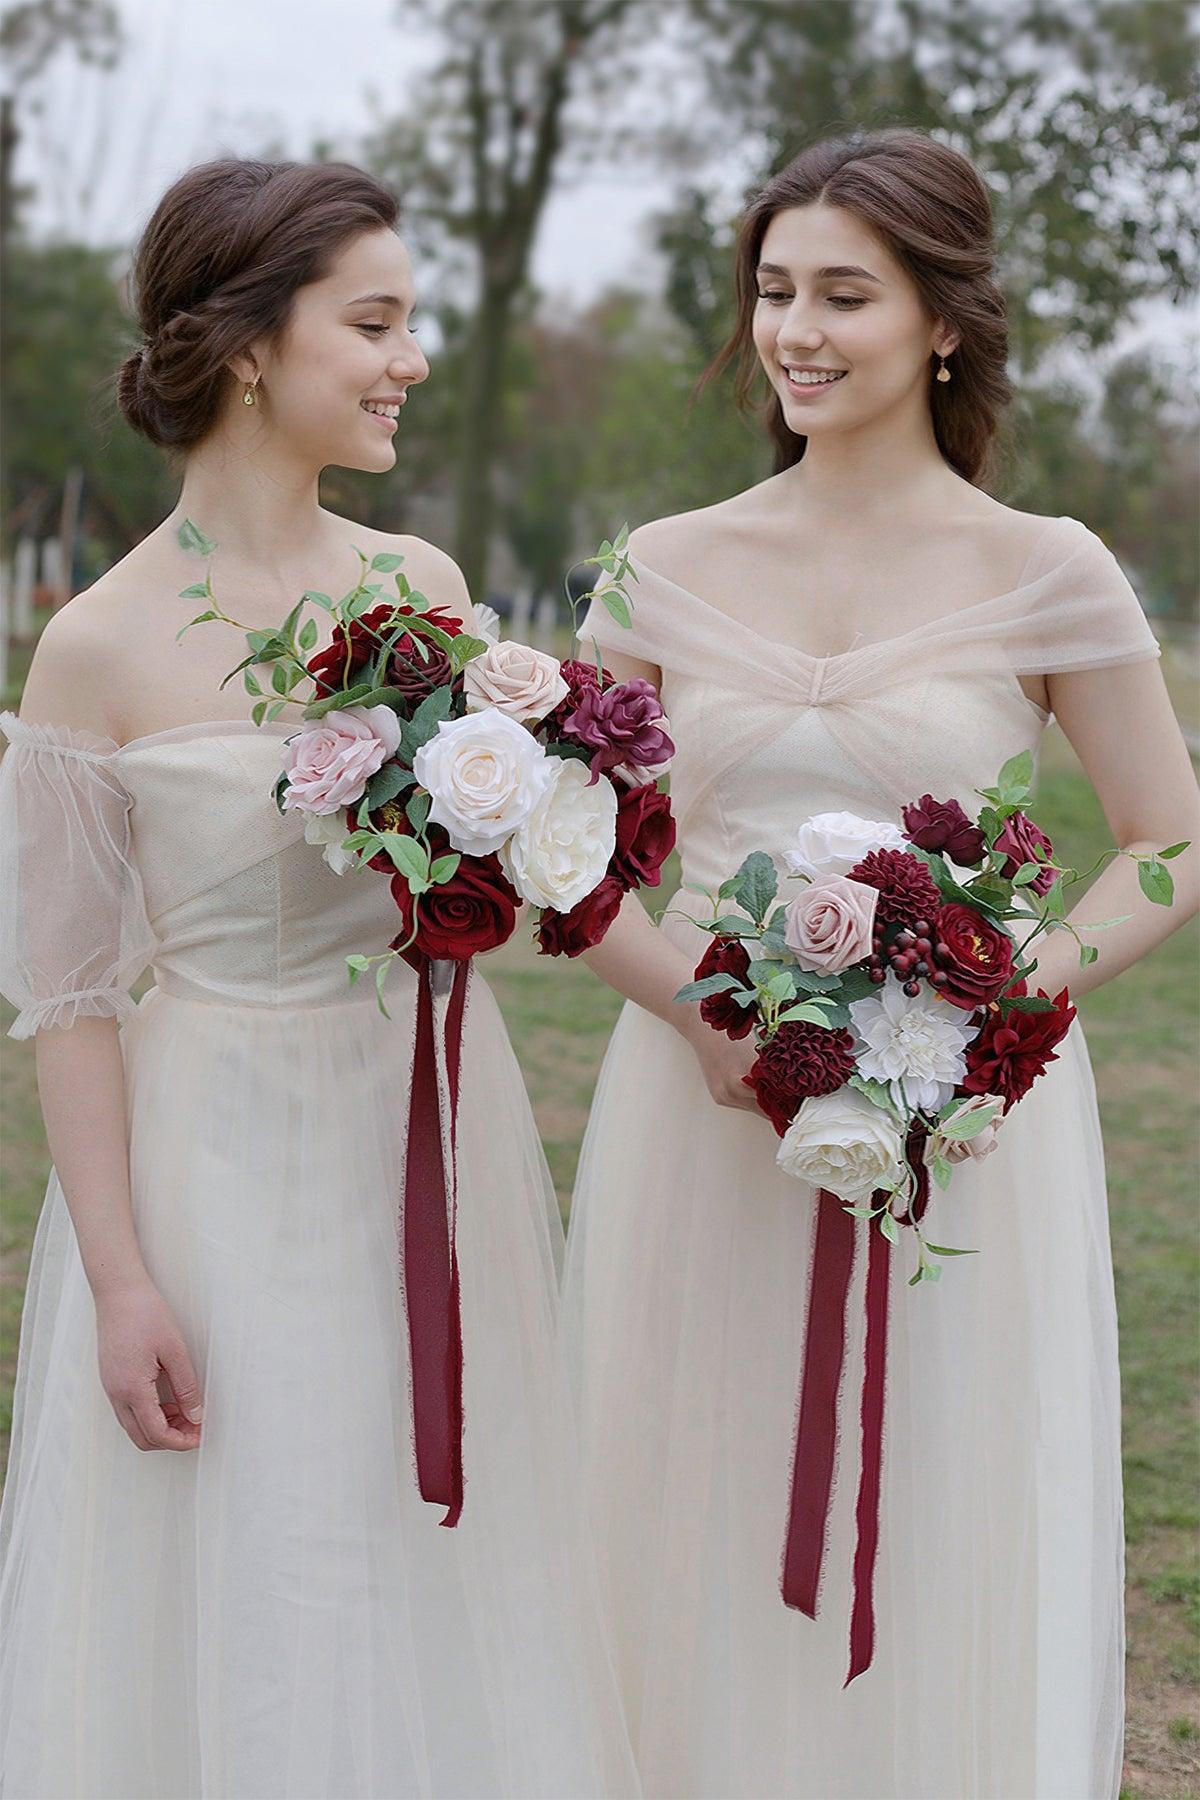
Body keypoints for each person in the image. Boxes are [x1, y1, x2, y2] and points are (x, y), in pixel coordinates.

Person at [562, 127, 1198, 1800]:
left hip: (957, 1141)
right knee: (676, 1494)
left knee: (936, 1518)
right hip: (700, 1118)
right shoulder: (660, 564)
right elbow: (576, 859)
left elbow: (1172, 838)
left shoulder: (1047, 567)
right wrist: (698, 1013)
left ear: (943, 322)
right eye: (775, 291)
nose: (798, 330)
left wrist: (1009, 990)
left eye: (846, 293)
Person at [0, 157, 636, 1800]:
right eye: (373, 321)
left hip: (427, 1130)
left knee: (424, 1532)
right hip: (211, 1154)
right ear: (247, 349)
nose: (408, 356)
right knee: (263, 1533)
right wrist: (127, 1281)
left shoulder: (421, 593)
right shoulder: (97, 645)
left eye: (412, 321)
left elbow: (516, 863)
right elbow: (68, 1002)